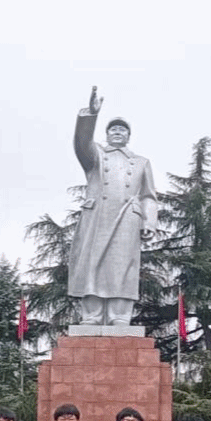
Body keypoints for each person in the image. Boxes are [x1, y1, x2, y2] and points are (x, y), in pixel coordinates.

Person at [68, 86, 158, 325]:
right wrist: (91, 115)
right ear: (106, 134)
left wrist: (149, 221)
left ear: (129, 136)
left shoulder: (141, 162)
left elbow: (148, 195)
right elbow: (81, 143)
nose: (118, 132)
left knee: (123, 266)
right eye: (113, 129)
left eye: (122, 129)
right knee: (91, 264)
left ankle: (120, 315)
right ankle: (92, 315)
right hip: (97, 215)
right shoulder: (96, 156)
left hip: (128, 216)